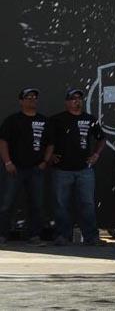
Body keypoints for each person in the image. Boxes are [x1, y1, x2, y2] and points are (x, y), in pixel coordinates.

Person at [49, 88, 106, 246]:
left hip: (84, 169)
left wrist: (96, 155)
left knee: (87, 203)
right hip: (62, 169)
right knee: (61, 204)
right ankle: (62, 235)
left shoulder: (89, 119)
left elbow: (101, 139)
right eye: (73, 98)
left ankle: (91, 237)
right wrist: (50, 156)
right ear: (67, 102)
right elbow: (46, 141)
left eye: (79, 98)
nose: (77, 101)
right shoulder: (57, 120)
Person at [0, 88, 53, 246]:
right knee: (6, 203)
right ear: (21, 101)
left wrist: (45, 161)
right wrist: (7, 162)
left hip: (36, 169)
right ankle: (2, 235)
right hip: (14, 169)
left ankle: (34, 236)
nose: (32, 100)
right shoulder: (12, 120)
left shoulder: (44, 121)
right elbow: (3, 142)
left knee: (37, 204)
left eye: (34, 97)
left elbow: (51, 143)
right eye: (28, 97)